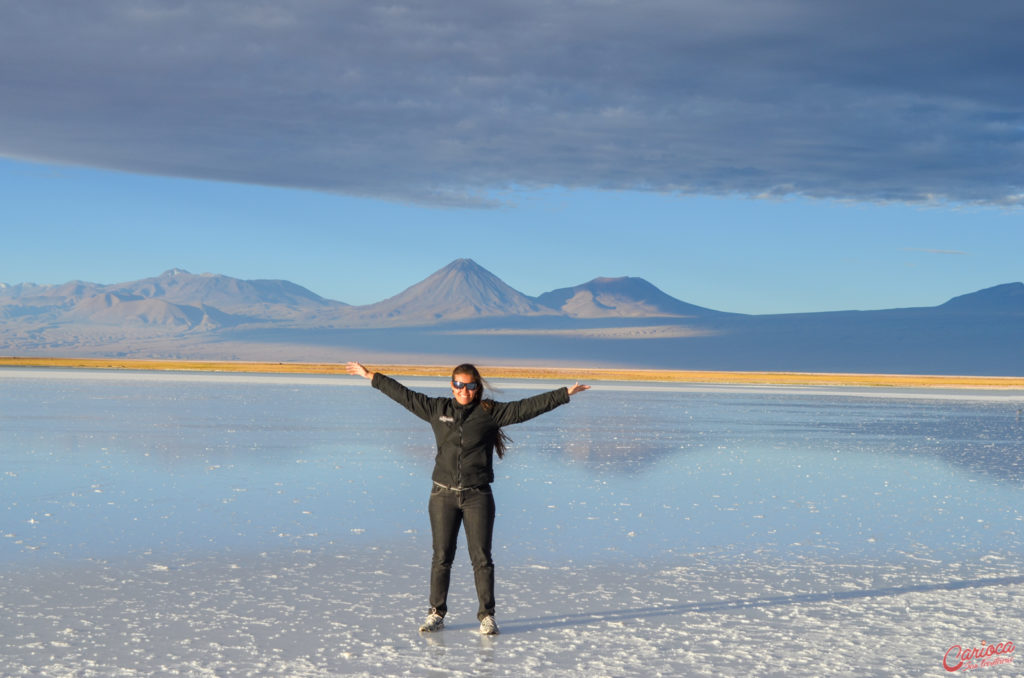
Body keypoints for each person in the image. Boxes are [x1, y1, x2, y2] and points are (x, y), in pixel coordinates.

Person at [345, 361, 590, 635]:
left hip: (477, 496)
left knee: (482, 558)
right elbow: (404, 395)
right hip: (442, 495)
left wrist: (563, 394)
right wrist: (371, 376)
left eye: (470, 386)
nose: (464, 390)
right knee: (442, 556)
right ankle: (436, 613)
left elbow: (525, 408)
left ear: (477, 388)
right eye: (459, 385)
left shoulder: (490, 413)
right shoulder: (437, 409)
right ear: (452, 386)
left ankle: (487, 615)